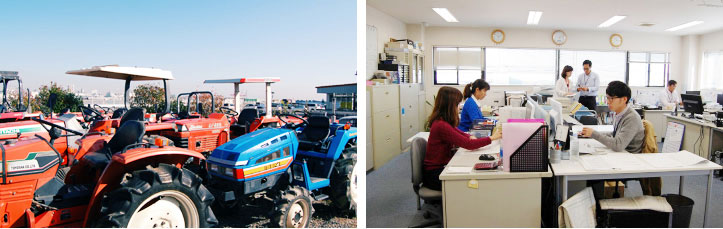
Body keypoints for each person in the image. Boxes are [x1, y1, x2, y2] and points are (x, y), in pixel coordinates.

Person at [423, 86, 502, 191]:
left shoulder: (442, 121)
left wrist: (470, 136)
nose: (459, 107)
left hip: (440, 168)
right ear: (450, 105)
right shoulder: (441, 125)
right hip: (435, 175)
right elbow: (468, 144)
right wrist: (492, 138)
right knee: (472, 183)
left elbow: (462, 134)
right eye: (457, 104)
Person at [580, 81, 644, 153]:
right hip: (621, 153)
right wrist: (591, 133)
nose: (608, 101)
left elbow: (618, 145)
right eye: (607, 98)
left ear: (624, 99)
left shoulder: (632, 118)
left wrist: (594, 134)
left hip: (629, 156)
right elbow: (614, 134)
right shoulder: (618, 113)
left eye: (611, 98)